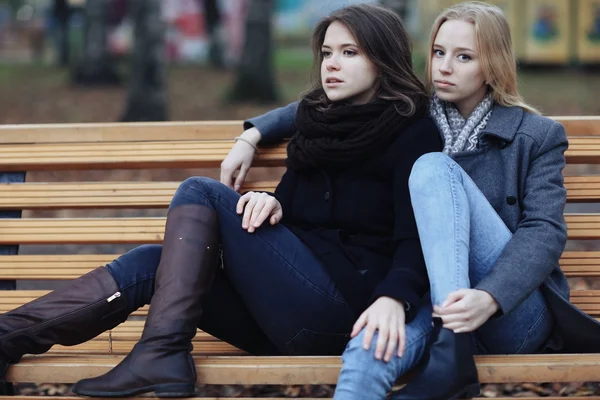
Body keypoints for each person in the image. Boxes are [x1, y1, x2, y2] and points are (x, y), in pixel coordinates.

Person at [0, 4, 442, 398]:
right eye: (327, 53)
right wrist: (274, 203)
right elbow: (298, 215)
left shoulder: (412, 132)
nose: (332, 64)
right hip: (275, 317)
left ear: (382, 61)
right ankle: (8, 338)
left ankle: (161, 351)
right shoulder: (317, 125)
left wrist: (393, 299)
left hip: (342, 313)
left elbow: (417, 238)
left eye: (350, 53)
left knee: (200, 191)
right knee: (152, 262)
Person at [221, 2, 600, 399]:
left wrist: (489, 297)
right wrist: (253, 134)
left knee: (433, 169)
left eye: (464, 56)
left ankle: (453, 351)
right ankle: (448, 358)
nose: (444, 67)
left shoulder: (536, 135)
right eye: (438, 53)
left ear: (493, 64)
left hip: (509, 312)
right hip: (427, 309)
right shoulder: (410, 113)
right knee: (369, 350)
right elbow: (319, 104)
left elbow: (543, 231)